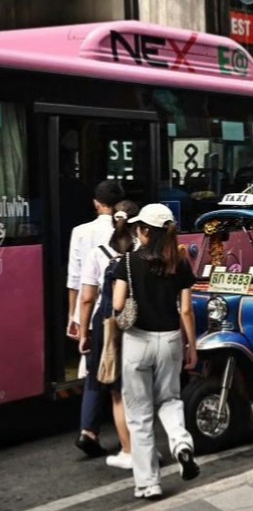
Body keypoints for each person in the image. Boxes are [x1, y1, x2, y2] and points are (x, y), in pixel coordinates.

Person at [113, 204, 199, 499]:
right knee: (170, 400)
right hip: (171, 340)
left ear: (145, 231)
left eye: (139, 227)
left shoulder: (126, 262)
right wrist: (193, 347)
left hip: (137, 341)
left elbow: (117, 305)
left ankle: (149, 483)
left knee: (139, 414)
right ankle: (181, 444)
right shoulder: (181, 263)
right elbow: (186, 310)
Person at [78, 200, 139, 469]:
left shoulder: (96, 253)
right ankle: (135, 446)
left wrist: (83, 332)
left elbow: (88, 298)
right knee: (129, 389)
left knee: (101, 377)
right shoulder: (141, 252)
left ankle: (90, 432)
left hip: (104, 324)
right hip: (134, 323)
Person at [68, 179, 125, 457]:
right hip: (120, 313)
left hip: (95, 313)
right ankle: (132, 441)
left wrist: (75, 317)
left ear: (95, 203)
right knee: (119, 376)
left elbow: (76, 281)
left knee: (94, 371)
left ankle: (88, 430)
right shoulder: (128, 232)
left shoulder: (80, 232)